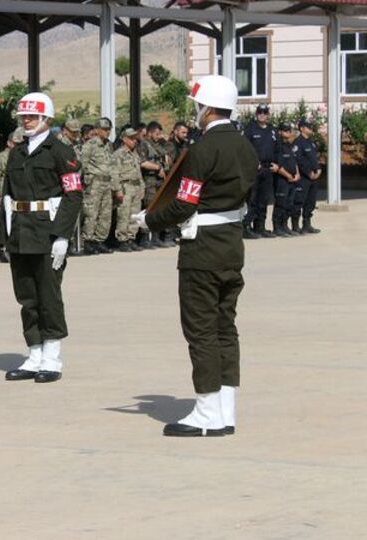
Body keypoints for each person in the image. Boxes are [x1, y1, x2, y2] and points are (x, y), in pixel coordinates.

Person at [133, 75, 257, 437]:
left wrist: (150, 220)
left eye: (198, 106)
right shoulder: (245, 146)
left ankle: (206, 410)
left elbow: (185, 202)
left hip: (202, 249)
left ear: (207, 108)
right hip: (232, 244)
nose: (196, 112)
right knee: (224, 328)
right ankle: (225, 409)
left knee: (201, 329)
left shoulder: (203, 149)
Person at [0, 92, 83, 385]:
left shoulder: (61, 152)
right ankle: (34, 352)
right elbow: (7, 197)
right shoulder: (16, 152)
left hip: (47, 231)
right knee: (26, 296)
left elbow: (73, 196)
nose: (27, 122)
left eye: (33, 117)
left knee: (48, 295)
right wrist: (4, 237)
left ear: (47, 119)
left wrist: (62, 235)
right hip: (21, 231)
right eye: (24, 117)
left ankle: (52, 356)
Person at [80, 117, 114, 255]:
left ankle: (99, 241)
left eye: (109, 130)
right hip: (94, 182)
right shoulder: (89, 145)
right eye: (105, 129)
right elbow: (82, 164)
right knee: (91, 213)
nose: (107, 132)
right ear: (97, 130)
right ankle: (88, 242)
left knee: (105, 213)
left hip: (107, 182)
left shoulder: (109, 145)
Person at [242, 105, 278, 239]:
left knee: (264, 199)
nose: (262, 115)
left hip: (268, 169)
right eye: (260, 112)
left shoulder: (272, 131)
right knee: (252, 199)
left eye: (265, 112)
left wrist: (277, 164)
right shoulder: (250, 129)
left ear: (268, 115)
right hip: (255, 169)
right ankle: (246, 226)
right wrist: (252, 162)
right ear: (256, 114)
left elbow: (278, 149)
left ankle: (260, 226)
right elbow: (244, 149)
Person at [111, 128, 145, 252]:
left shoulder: (135, 154)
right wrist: (118, 190)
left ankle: (131, 237)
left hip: (135, 186)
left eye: (135, 138)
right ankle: (122, 239)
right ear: (124, 139)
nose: (134, 141)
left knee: (134, 213)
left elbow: (138, 172)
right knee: (124, 214)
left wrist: (142, 186)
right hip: (125, 186)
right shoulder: (118, 154)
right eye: (131, 138)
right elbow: (114, 173)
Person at [293, 119, 322, 234]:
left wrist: (318, 169)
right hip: (304, 178)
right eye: (308, 126)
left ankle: (307, 224)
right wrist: (308, 172)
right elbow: (298, 160)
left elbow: (314, 159)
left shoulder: (311, 142)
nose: (311, 128)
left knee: (311, 202)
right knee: (299, 201)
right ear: (302, 128)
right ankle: (295, 226)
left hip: (314, 178)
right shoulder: (298, 143)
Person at [272, 123, 300, 236]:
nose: (288, 132)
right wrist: (288, 176)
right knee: (280, 204)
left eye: (289, 130)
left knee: (289, 204)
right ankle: (277, 227)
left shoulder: (289, 145)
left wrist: (297, 174)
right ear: (279, 132)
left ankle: (285, 225)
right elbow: (277, 165)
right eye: (285, 130)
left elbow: (294, 161)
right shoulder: (277, 146)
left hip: (293, 179)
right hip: (282, 180)